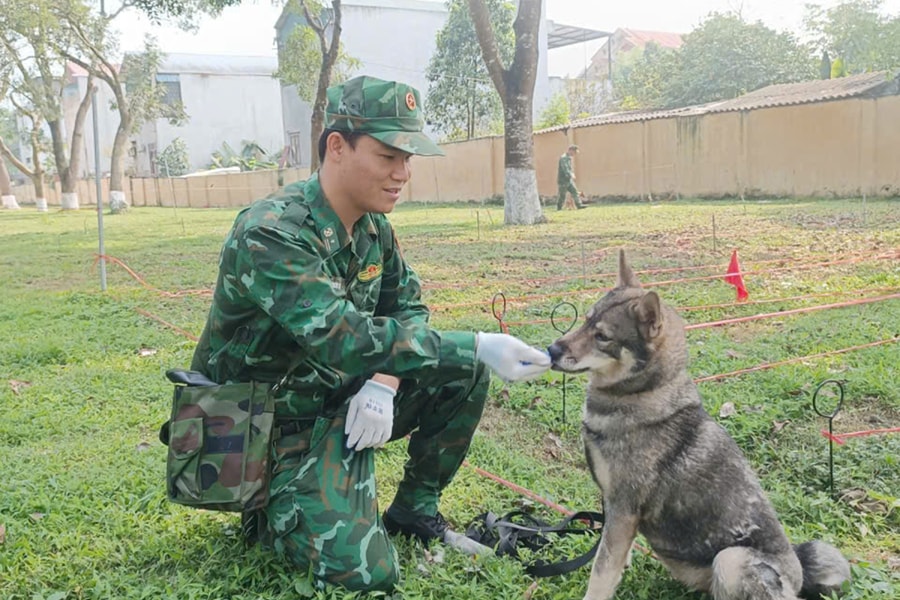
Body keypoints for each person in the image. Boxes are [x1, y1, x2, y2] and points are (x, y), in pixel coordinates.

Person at [190, 75, 551, 592]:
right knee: (367, 573)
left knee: (462, 373)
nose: (403, 173)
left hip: (335, 399)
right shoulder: (271, 232)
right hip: (264, 430)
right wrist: (477, 343)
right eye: (388, 156)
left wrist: (384, 383)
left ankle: (413, 512)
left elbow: (409, 308)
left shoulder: (372, 227)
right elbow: (345, 338)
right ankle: (269, 507)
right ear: (337, 146)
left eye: (408, 158)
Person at [557, 144, 586, 210]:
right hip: (563, 180)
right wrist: (571, 174)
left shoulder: (569, 158)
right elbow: (565, 168)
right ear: (571, 150)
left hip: (569, 180)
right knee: (562, 195)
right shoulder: (564, 158)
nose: (575, 154)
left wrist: (571, 173)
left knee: (575, 192)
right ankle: (559, 207)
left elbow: (569, 168)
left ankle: (579, 205)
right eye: (574, 152)